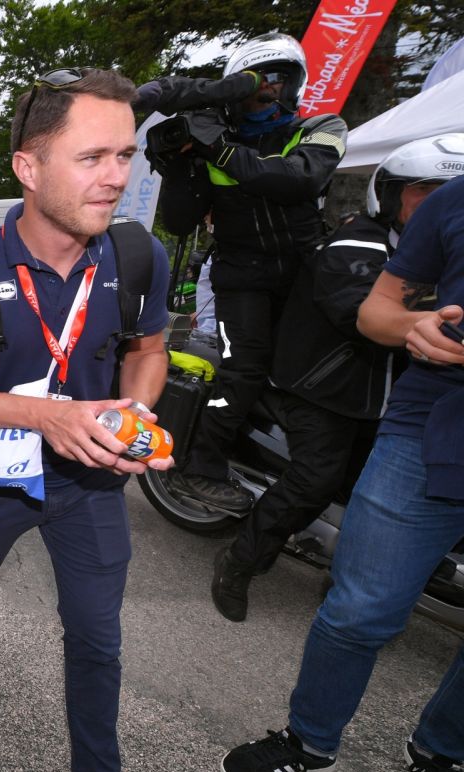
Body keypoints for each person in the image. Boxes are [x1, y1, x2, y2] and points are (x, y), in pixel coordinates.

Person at [0, 68, 172, 772]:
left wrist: (135, 411)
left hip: (92, 484)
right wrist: (48, 415)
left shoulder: (138, 256)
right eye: (92, 158)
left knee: (97, 640)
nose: (116, 177)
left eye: (125, 156)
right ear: (29, 167)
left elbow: (149, 350)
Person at [218, 173, 464, 772]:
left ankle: (444, 749)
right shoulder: (374, 235)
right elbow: (372, 311)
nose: (422, 200)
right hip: (375, 410)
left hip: (367, 401)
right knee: (326, 509)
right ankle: (240, 567)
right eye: (415, 191)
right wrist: (419, 325)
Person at [211, 134, 464, 621]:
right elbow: (357, 312)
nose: (438, 204)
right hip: (320, 387)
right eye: (424, 191)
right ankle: (239, 561)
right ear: (389, 194)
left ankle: (347, 580)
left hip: (381, 400)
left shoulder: (437, 256)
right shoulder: (357, 244)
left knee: (374, 496)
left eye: (447, 192)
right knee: (316, 480)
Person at [137, 33, 347, 512]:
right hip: (241, 276)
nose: (267, 89)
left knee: (315, 372)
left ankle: (291, 464)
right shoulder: (211, 139)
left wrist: (217, 149)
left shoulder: (321, 126)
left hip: (305, 272)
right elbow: (180, 222)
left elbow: (300, 179)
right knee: (243, 371)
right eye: (257, 81)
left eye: (278, 79)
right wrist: (179, 166)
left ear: (294, 85)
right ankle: (199, 468)